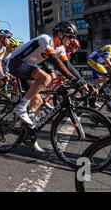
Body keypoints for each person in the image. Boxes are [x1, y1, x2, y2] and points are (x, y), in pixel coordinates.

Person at [7, 21, 89, 152]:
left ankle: (29, 135)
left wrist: (83, 82)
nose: (71, 40)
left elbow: (68, 66)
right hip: (16, 63)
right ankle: (21, 107)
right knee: (46, 77)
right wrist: (73, 80)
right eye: (70, 37)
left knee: (38, 100)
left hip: (27, 67)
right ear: (60, 34)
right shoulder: (46, 39)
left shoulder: (60, 48)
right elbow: (54, 61)